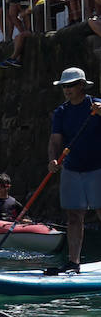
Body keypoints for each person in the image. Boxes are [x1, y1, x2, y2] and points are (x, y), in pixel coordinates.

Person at [48, 66, 101, 273]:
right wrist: (53, 160)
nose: (67, 90)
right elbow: (55, 140)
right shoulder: (61, 112)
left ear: (81, 86)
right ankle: (73, 262)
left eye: (71, 86)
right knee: (73, 216)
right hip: (72, 168)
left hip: (97, 167)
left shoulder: (96, 105)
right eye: (64, 86)